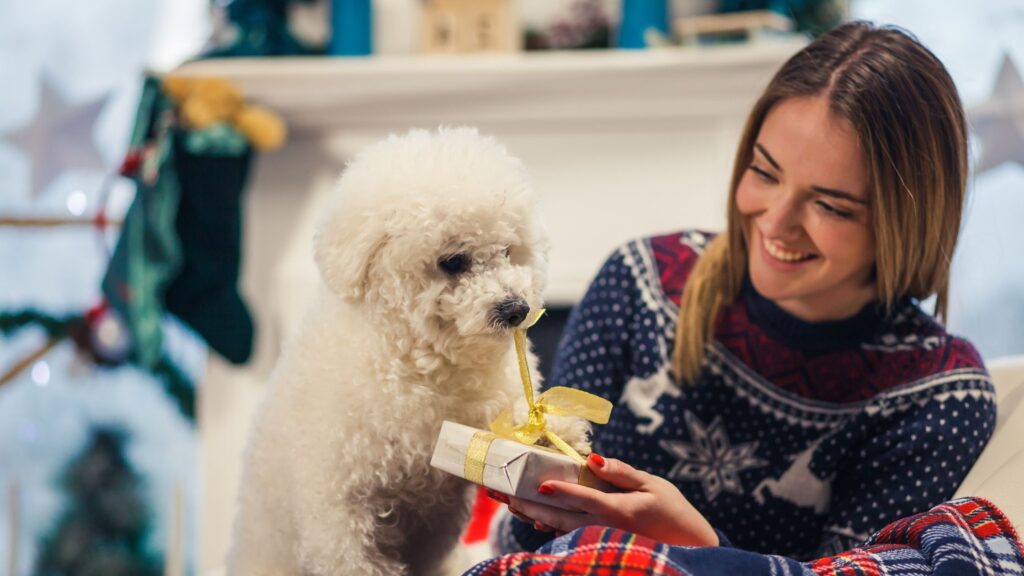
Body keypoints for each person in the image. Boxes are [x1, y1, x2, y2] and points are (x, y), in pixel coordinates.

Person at [489, 20, 997, 561]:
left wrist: (697, 547)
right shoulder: (638, 282)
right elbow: (523, 538)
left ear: (907, 221)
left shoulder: (937, 397)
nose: (776, 222)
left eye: (829, 205)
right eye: (764, 171)